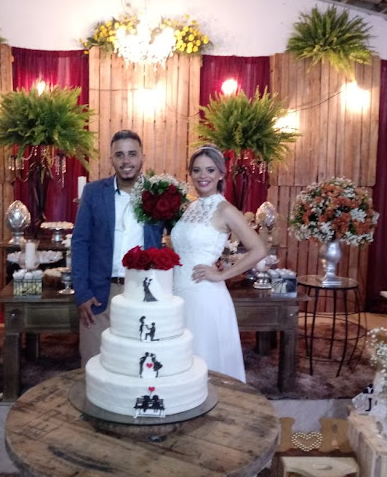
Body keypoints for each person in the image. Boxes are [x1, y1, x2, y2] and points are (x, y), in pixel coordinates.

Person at [170, 145, 267, 382]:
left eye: (210, 170)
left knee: (204, 362)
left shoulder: (225, 210)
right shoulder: (191, 207)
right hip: (178, 293)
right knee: (181, 363)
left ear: (221, 174)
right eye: (197, 170)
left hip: (204, 297)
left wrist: (222, 275)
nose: (202, 175)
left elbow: (259, 249)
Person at [71, 130, 164, 367]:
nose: (126, 161)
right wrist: (82, 292)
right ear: (111, 159)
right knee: (94, 364)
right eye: (119, 155)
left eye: (132, 154)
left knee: (136, 365)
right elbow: (80, 242)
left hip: (142, 292)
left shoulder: (158, 194)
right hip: (99, 294)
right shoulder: (93, 193)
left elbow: (182, 233)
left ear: (142, 157)